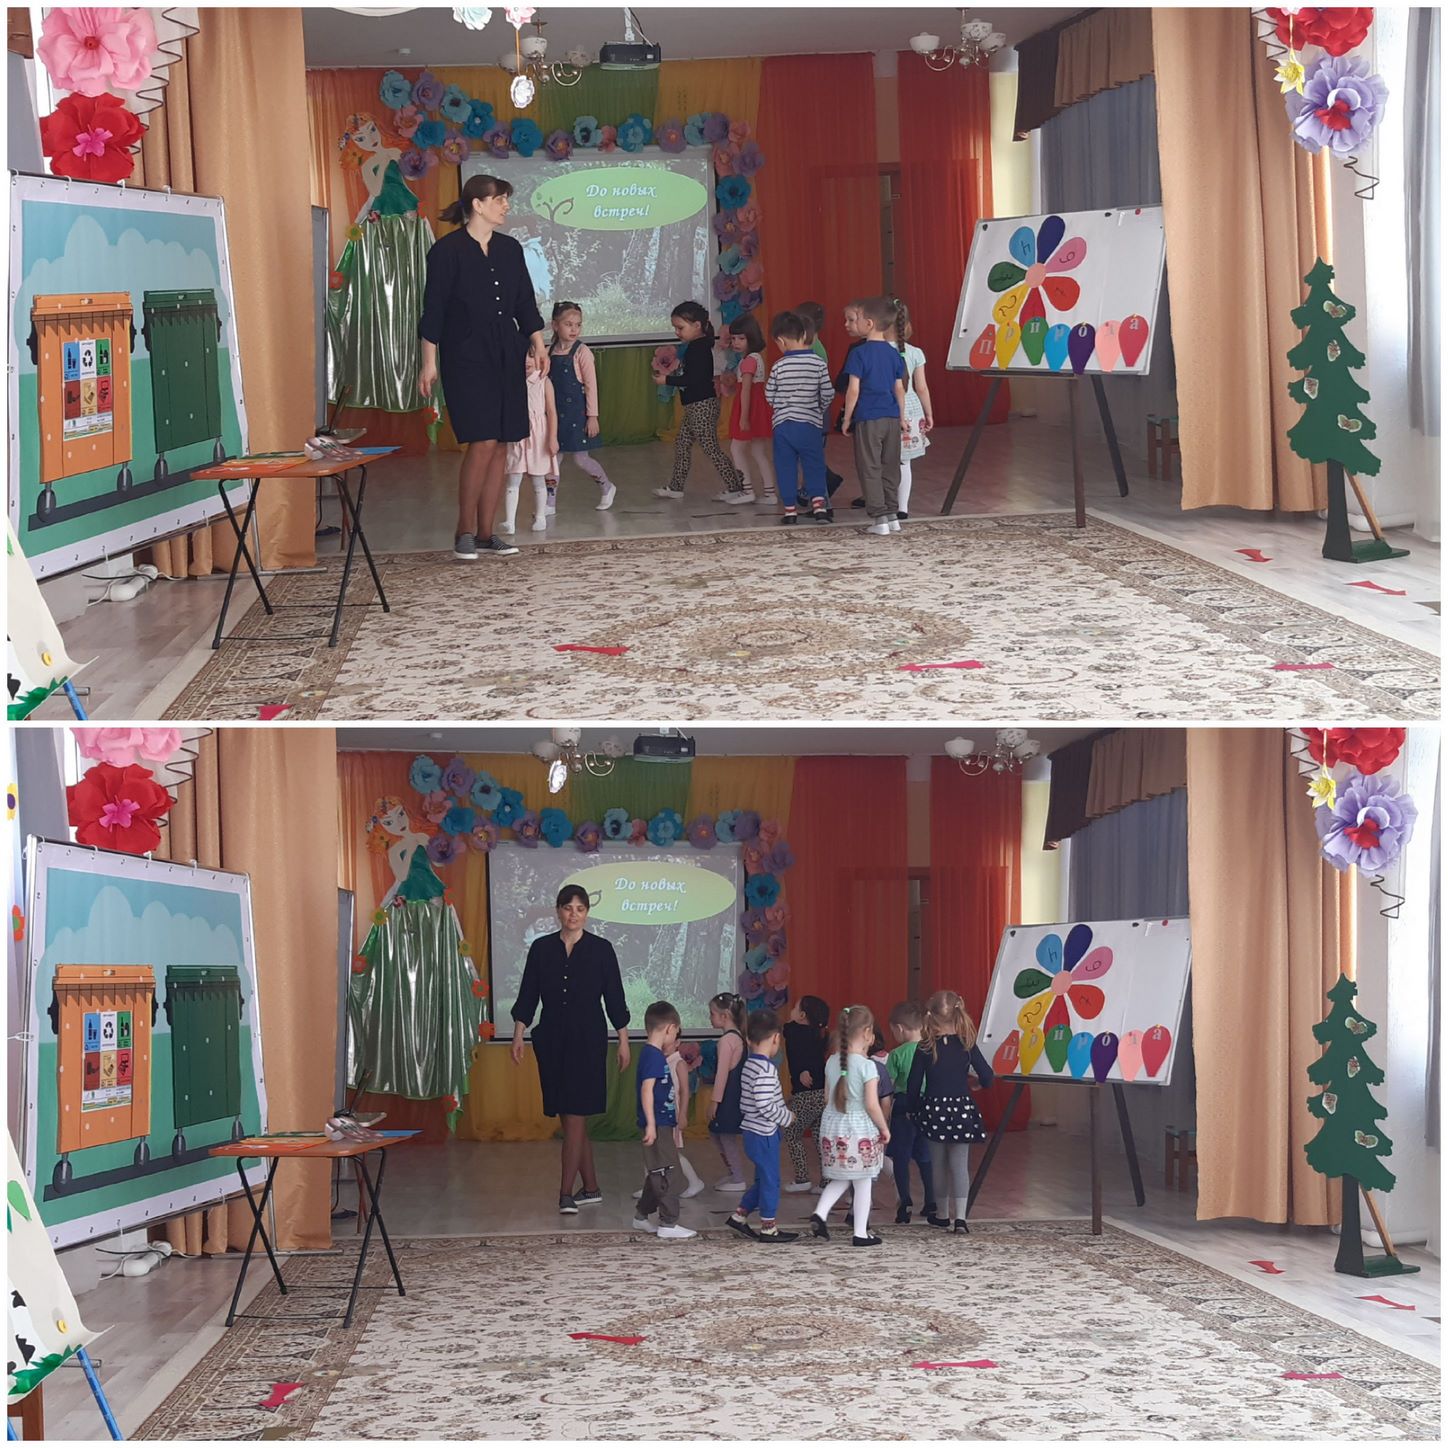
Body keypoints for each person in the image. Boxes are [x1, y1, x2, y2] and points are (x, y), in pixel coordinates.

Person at [418, 173, 547, 561]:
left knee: (503, 442)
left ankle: (488, 534)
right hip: (465, 355)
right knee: (483, 439)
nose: (506, 206)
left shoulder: (510, 248)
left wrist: (538, 344)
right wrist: (429, 363)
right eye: (499, 199)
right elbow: (434, 311)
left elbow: (524, 301)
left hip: (507, 352)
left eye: (506, 199)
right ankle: (464, 531)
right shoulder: (447, 251)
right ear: (477, 204)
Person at [509, 885, 631, 1214]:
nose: (573, 914)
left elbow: (615, 998)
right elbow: (528, 994)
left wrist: (623, 1040)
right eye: (567, 908)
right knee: (569, 1117)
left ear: (587, 912)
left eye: (580, 908)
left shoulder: (602, 950)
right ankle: (590, 1188)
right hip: (551, 1040)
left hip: (587, 1041)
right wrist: (519, 1033)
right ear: (558, 911)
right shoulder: (541, 949)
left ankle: (565, 1193)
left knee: (576, 1115)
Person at [905, 989, 994, 1234]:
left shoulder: (925, 1047)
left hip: (934, 1110)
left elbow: (913, 1084)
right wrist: (978, 1084)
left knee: (938, 1165)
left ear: (931, 1017)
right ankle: (961, 1219)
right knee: (959, 1165)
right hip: (961, 1110)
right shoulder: (967, 1043)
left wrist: (912, 1109)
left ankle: (942, 1215)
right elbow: (987, 1075)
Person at [810, 1003, 890, 1247]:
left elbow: (826, 1098)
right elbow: (872, 1105)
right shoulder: (868, 1066)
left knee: (842, 1176)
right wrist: (884, 1128)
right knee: (863, 1181)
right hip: (858, 1130)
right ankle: (860, 1233)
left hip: (832, 1127)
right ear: (867, 1033)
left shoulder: (831, 1062)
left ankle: (820, 1213)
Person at [651, 301, 749, 502]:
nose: (677, 332)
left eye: (680, 328)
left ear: (697, 326)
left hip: (702, 406)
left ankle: (736, 487)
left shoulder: (699, 349)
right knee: (682, 443)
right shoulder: (695, 346)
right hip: (694, 406)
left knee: (710, 447)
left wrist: (667, 380)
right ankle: (676, 487)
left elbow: (694, 379)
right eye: (675, 328)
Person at [725, 1009, 799, 1242]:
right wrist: (787, 1117)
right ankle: (768, 1227)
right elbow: (765, 1105)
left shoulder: (749, 1065)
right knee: (771, 1181)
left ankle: (739, 1216)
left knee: (762, 1179)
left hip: (753, 1131)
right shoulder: (766, 1069)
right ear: (776, 1038)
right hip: (763, 1134)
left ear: (748, 1039)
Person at [840, 296, 908, 536]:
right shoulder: (894, 353)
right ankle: (892, 515)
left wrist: (847, 418)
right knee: (890, 466)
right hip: (892, 417)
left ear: (868, 323)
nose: (851, 323)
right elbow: (899, 389)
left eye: (856, 318)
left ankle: (879, 517)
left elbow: (853, 390)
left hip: (869, 418)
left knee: (869, 466)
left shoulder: (859, 353)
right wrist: (902, 417)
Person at [631, 1001, 697, 1240]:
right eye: (676, 1032)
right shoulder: (653, 1057)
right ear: (670, 1028)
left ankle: (641, 1216)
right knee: (669, 1172)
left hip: (662, 1122)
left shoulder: (653, 1054)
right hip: (657, 1124)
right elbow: (646, 1090)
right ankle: (669, 1223)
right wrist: (651, 1124)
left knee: (658, 1171)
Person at [543, 302, 616, 513]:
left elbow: (591, 386)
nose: (574, 329)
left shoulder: (582, 352)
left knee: (581, 459)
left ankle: (607, 487)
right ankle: (549, 503)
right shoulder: (548, 352)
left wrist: (592, 416)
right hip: (554, 415)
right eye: (568, 324)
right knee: (553, 458)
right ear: (555, 325)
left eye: (578, 324)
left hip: (577, 414)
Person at [764, 312, 835, 525]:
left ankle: (790, 511)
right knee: (814, 465)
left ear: (781, 341)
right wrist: (817, 409)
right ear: (805, 335)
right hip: (810, 425)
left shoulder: (778, 366)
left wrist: (781, 407)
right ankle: (819, 508)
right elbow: (828, 393)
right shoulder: (818, 364)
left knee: (785, 466)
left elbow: (769, 394)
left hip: (783, 426)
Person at [886, 1000, 936, 1224]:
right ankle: (931, 1201)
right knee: (926, 1157)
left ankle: (905, 1202)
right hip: (927, 1107)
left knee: (901, 1157)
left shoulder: (896, 1054)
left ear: (899, 1028)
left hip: (904, 1107)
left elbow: (888, 1086)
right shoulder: (932, 1050)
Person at [795, 299, 845, 499]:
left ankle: (818, 491)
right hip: (810, 411)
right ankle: (816, 486)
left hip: (813, 412)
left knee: (809, 455)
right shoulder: (812, 347)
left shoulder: (814, 350)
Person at [781, 993, 830, 1190]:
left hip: (807, 1094)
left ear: (802, 1016)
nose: (791, 1011)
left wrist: (804, 1070)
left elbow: (788, 1030)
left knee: (792, 1132)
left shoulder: (796, 1031)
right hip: (822, 1094)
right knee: (819, 1136)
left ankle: (802, 1179)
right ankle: (827, 1182)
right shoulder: (817, 1034)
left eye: (795, 1008)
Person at [501, 367, 558, 534]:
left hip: (539, 436)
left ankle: (540, 517)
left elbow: (552, 411)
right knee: (513, 477)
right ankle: (509, 521)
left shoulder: (544, 382)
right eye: (524, 356)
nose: (527, 361)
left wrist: (552, 437)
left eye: (532, 356)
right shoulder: (512, 379)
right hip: (517, 434)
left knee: (538, 478)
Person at [891, 298, 934, 520]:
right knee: (904, 462)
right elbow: (922, 387)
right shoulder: (916, 352)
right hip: (912, 410)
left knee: (883, 461)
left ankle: (884, 504)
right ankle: (902, 508)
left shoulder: (877, 351)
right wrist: (929, 413)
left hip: (889, 409)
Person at [727, 312, 776, 503]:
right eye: (733, 338)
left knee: (736, 449)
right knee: (758, 452)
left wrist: (743, 417)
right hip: (757, 408)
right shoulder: (756, 358)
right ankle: (770, 493)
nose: (736, 342)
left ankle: (747, 490)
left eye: (741, 338)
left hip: (748, 409)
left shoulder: (748, 361)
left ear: (751, 338)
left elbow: (746, 391)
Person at [706, 991, 749, 1189]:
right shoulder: (739, 1037)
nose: (710, 1018)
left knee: (725, 1136)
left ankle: (738, 1178)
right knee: (718, 1134)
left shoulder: (727, 1041)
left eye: (712, 1014)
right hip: (734, 1095)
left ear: (724, 1016)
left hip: (728, 1097)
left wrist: (714, 1101)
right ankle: (733, 1173)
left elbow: (722, 1074)